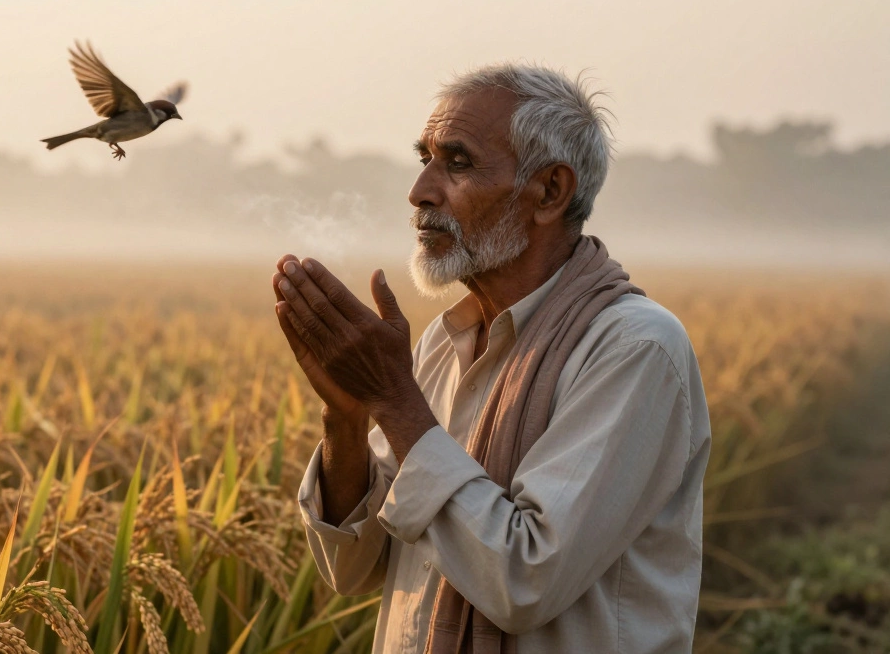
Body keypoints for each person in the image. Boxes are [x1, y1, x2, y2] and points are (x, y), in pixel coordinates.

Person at [270, 64, 711, 653]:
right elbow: (354, 570)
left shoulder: (634, 350)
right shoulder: (440, 344)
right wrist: (346, 419)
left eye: (457, 163)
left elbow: (525, 581)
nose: (420, 191)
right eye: (423, 158)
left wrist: (394, 401)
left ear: (550, 191)